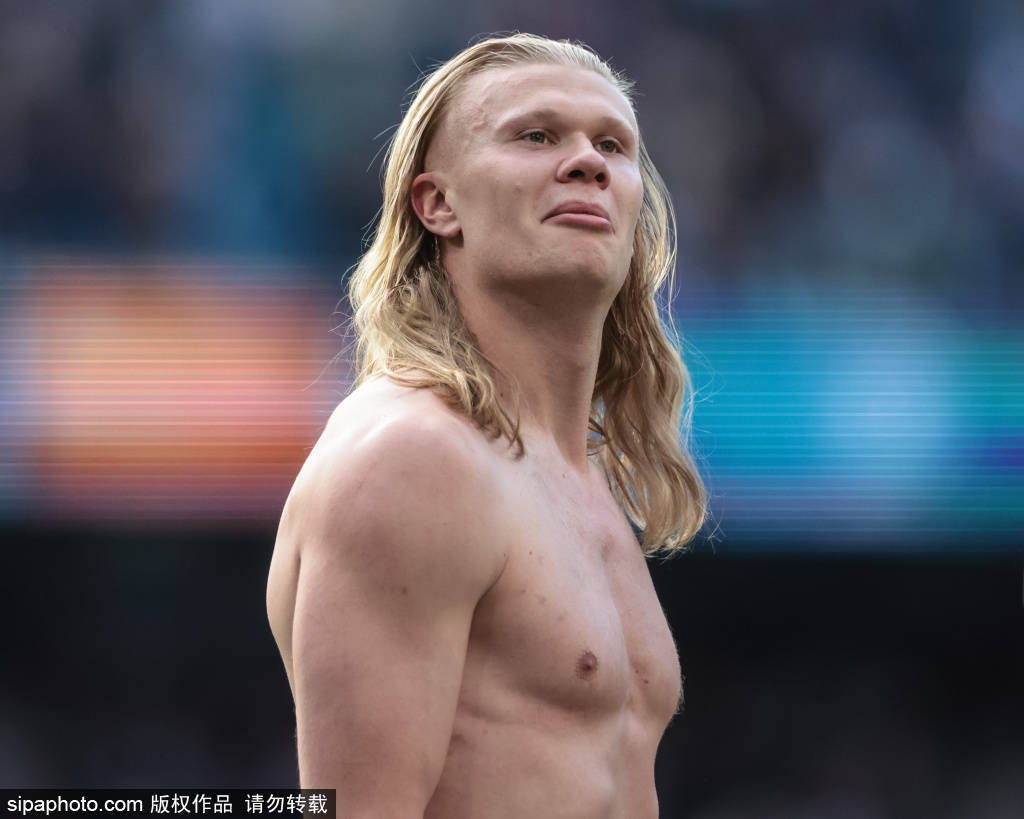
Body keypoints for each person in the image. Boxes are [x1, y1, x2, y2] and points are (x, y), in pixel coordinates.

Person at [266, 32, 707, 818]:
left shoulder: (580, 478)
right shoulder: (415, 455)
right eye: (536, 135)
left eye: (613, 145)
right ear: (438, 204)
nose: (587, 161)